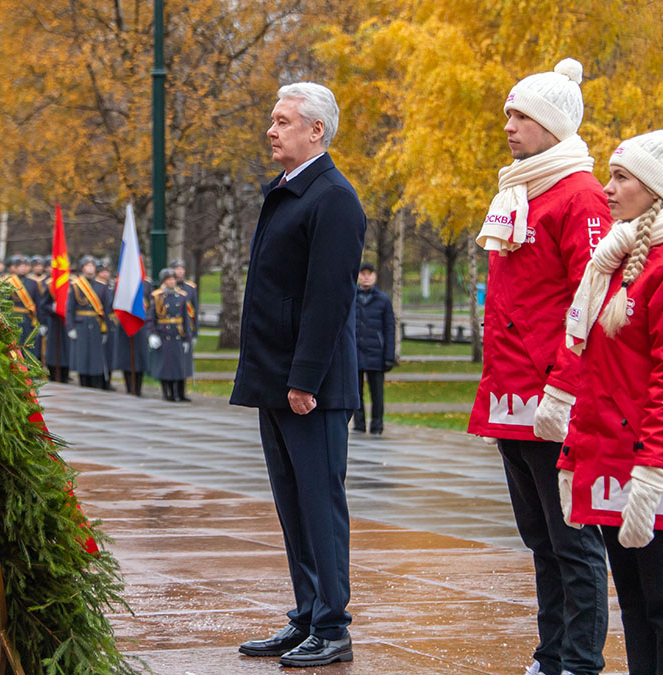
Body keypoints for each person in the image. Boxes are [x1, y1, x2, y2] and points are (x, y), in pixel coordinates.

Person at [469, 58, 611, 675]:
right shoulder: (518, 187)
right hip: (510, 394)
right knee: (540, 540)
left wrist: (564, 388)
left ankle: (579, 660)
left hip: (554, 399)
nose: (509, 125)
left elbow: (591, 299)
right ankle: (550, 653)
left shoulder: (579, 194)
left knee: (573, 542)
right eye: (508, 113)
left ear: (552, 125)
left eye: (521, 114)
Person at [560, 124, 663, 674]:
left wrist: (652, 475)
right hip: (614, 455)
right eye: (610, 175)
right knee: (635, 604)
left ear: (654, 189)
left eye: (621, 178)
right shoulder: (623, 256)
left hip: (656, 465)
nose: (608, 187)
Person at [230, 82, 364, 667]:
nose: (271, 129)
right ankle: (308, 614)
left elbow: (327, 299)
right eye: (273, 119)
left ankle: (333, 625)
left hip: (311, 385)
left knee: (319, 503)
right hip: (278, 378)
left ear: (316, 131)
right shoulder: (290, 191)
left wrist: (305, 379)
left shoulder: (333, 198)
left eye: (283, 121)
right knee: (292, 505)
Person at [353, 262, 395, 435]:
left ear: (375, 277)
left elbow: (390, 328)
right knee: (356, 393)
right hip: (355, 353)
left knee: (377, 394)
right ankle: (359, 424)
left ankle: (377, 425)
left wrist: (389, 355)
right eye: (362, 274)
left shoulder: (383, 299)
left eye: (369, 274)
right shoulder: (351, 297)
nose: (366, 277)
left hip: (375, 354)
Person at [67, 255, 108, 388]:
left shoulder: (101, 286)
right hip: (81, 324)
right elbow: (70, 309)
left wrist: (105, 328)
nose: (90, 268)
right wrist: (70, 327)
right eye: (88, 266)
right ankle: (83, 383)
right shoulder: (76, 285)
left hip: (96, 324)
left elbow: (106, 309)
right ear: (83, 268)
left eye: (92, 266)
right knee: (82, 356)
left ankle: (95, 385)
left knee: (96, 357)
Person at [148, 269, 189, 401]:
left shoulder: (182, 296)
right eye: (168, 280)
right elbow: (151, 317)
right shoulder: (156, 296)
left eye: (173, 279)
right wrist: (152, 334)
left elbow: (185, 318)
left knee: (178, 366)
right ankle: (167, 393)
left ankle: (179, 393)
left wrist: (187, 337)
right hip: (163, 333)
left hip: (177, 333)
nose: (171, 282)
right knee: (165, 366)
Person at [113, 275, 150, 396]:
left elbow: (150, 305)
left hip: (140, 324)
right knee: (126, 359)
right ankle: (129, 388)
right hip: (125, 324)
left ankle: (138, 389)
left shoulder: (146, 284)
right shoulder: (120, 284)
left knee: (140, 358)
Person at [5, 254, 40, 360]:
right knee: (15, 344)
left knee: (28, 344)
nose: (23, 268)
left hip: (28, 319)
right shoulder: (8, 282)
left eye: (25, 266)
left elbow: (37, 303)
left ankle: (29, 370)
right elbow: (5, 302)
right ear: (15, 268)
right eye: (20, 266)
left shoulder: (33, 283)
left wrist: (39, 322)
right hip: (13, 318)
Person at [172, 258, 198, 379]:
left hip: (187, 328)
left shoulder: (190, 288)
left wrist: (195, 333)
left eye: (181, 269)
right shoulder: (168, 288)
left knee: (185, 362)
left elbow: (195, 312)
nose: (179, 272)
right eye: (177, 269)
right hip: (172, 328)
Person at [94, 260, 115, 389]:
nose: (105, 274)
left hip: (111, 322)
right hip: (101, 322)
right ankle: (101, 380)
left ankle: (109, 380)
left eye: (106, 272)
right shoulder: (95, 286)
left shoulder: (111, 285)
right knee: (100, 354)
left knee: (110, 354)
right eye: (102, 272)